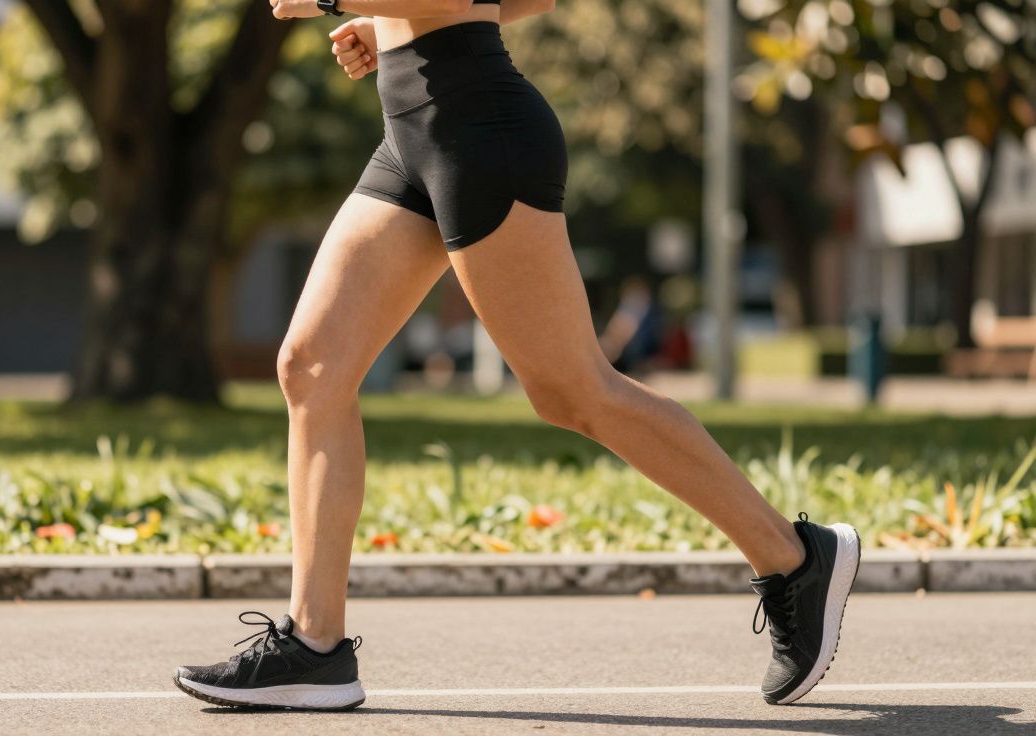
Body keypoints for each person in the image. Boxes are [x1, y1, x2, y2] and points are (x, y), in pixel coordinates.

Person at [173, 0, 860, 711]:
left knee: (572, 389)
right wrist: (389, 25)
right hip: (414, 127)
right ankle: (314, 648)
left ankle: (793, 557)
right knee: (311, 367)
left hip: (480, 132)